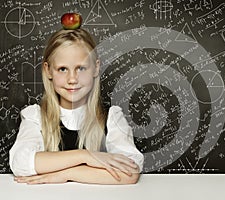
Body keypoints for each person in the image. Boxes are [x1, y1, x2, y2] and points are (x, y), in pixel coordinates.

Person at [9, 28, 144, 185]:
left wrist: (67, 174)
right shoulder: (36, 116)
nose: (72, 79)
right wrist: (85, 156)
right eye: (62, 69)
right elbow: (21, 163)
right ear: (48, 70)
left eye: (80, 68)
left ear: (96, 68)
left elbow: (130, 172)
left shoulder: (111, 117)